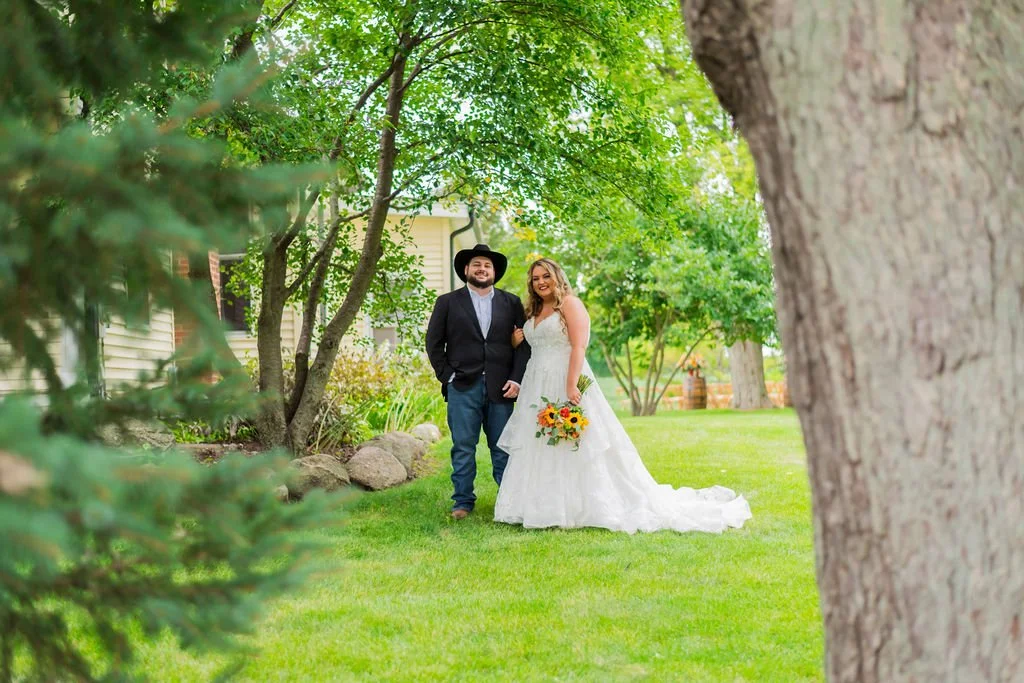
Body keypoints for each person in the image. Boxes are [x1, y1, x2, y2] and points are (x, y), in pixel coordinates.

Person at [494, 258, 751, 533]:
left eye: (546, 276)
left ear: (557, 277)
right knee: (540, 443)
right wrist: (516, 341)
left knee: (573, 442)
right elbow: (533, 343)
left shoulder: (569, 304)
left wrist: (571, 386)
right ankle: (537, 505)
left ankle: (578, 506)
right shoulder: (533, 310)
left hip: (566, 376)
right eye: (535, 278)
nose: (541, 282)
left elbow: (579, 346)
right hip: (537, 383)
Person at [426, 244, 530, 520]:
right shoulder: (447, 302)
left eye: (487, 265)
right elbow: (433, 343)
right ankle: (462, 502)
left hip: (502, 387)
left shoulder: (511, 302)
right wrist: (446, 376)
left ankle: (508, 502)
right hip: (462, 386)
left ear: (494, 272)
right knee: (463, 446)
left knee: (502, 447)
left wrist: (516, 380)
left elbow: (523, 346)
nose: (482, 269)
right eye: (477, 265)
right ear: (466, 270)